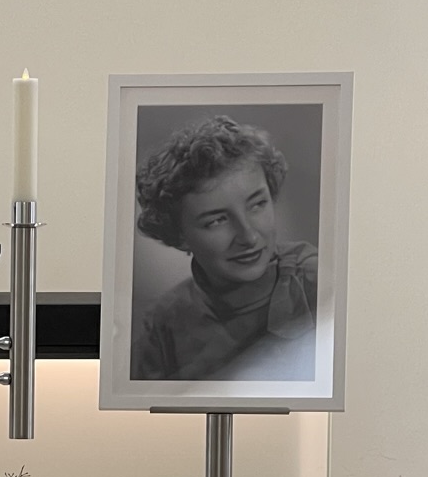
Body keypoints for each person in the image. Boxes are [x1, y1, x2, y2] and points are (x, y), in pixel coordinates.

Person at [131, 115, 317, 382]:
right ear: (180, 236)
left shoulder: (315, 283)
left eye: (257, 205)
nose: (248, 236)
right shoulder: (162, 327)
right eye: (217, 221)